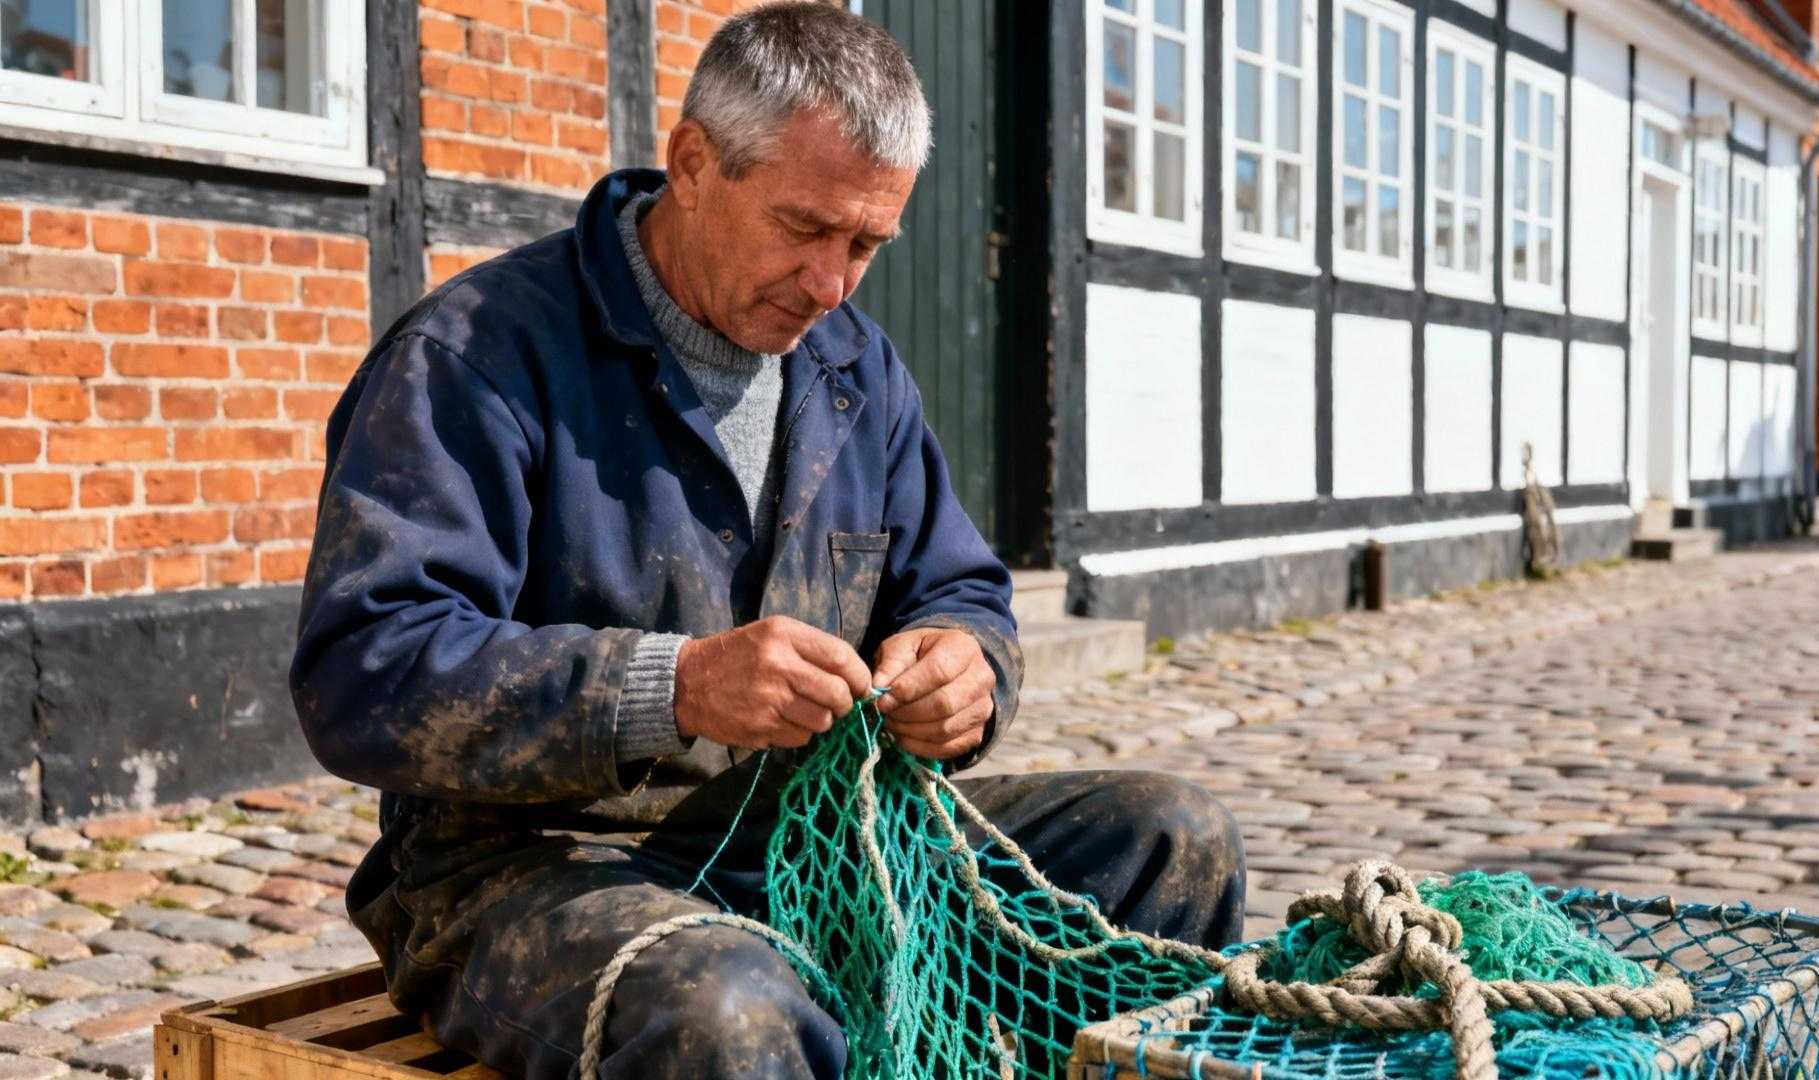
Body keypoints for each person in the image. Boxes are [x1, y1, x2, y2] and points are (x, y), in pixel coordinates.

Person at [289, 5, 1245, 1077]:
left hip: (817, 845)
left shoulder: (856, 367)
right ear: (693, 162)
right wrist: (672, 685)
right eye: (805, 228)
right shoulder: (475, 355)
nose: (832, 283)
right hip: (522, 865)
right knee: (731, 1013)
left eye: (868, 245)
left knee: (1172, 839)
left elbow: (963, 589)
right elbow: (359, 670)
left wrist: (967, 669)